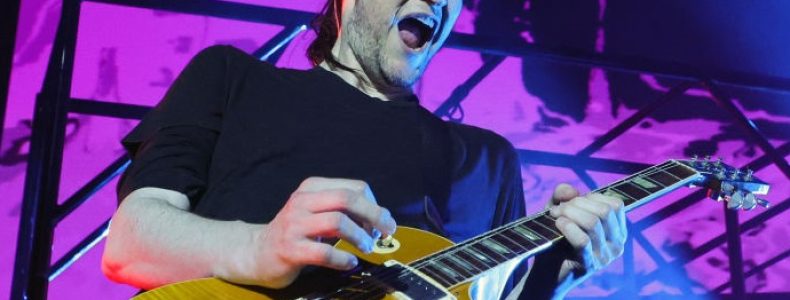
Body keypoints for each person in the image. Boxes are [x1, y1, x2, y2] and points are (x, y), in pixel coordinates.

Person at [101, 0, 627, 299]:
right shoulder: (234, 78)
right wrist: (261, 247)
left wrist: (553, 279)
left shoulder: (488, 159)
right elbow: (130, 242)